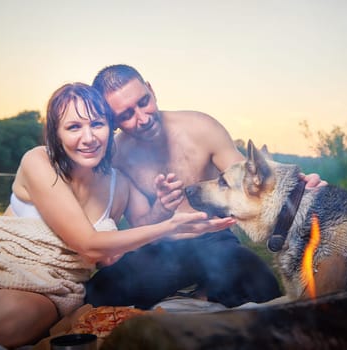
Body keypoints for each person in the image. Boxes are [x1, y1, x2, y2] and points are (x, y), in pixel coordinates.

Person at [0, 83, 233, 349]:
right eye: (74, 127)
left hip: (46, 287)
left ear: (110, 128)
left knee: (14, 317)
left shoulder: (119, 184)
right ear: (56, 133)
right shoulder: (38, 161)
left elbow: (141, 227)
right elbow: (86, 242)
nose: (88, 138)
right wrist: (168, 227)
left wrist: (163, 206)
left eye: (97, 124)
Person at [85, 64, 327, 309]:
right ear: (113, 121)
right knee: (99, 292)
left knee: (259, 282)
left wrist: (298, 187)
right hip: (160, 248)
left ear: (151, 89)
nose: (143, 118)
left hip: (213, 239)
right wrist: (161, 208)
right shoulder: (118, 155)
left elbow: (252, 178)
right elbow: (140, 225)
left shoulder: (201, 127)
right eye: (126, 115)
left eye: (143, 102)